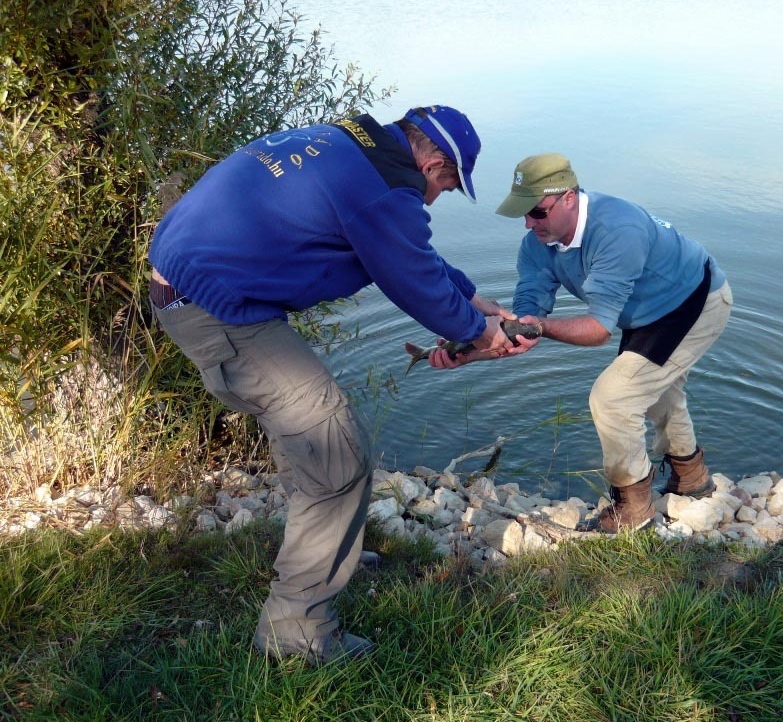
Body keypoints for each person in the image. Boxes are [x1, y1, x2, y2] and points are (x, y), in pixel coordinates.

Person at [147, 105, 522, 665]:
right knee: (338, 454)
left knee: (306, 438)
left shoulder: (345, 144)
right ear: (434, 161)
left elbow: (406, 251)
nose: (437, 196)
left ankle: (325, 549)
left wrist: (470, 297)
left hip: (194, 286)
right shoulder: (382, 187)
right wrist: (476, 332)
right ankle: (294, 632)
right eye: (446, 183)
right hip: (214, 309)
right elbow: (411, 277)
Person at [428, 153, 732, 533]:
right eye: (522, 213)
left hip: (695, 301)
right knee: (656, 393)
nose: (527, 223)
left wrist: (539, 327)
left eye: (537, 212)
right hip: (645, 312)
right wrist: (471, 349)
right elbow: (526, 319)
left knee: (614, 397)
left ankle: (633, 508)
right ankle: (691, 480)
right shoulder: (537, 244)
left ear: (568, 197)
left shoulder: (618, 230)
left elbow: (597, 331)